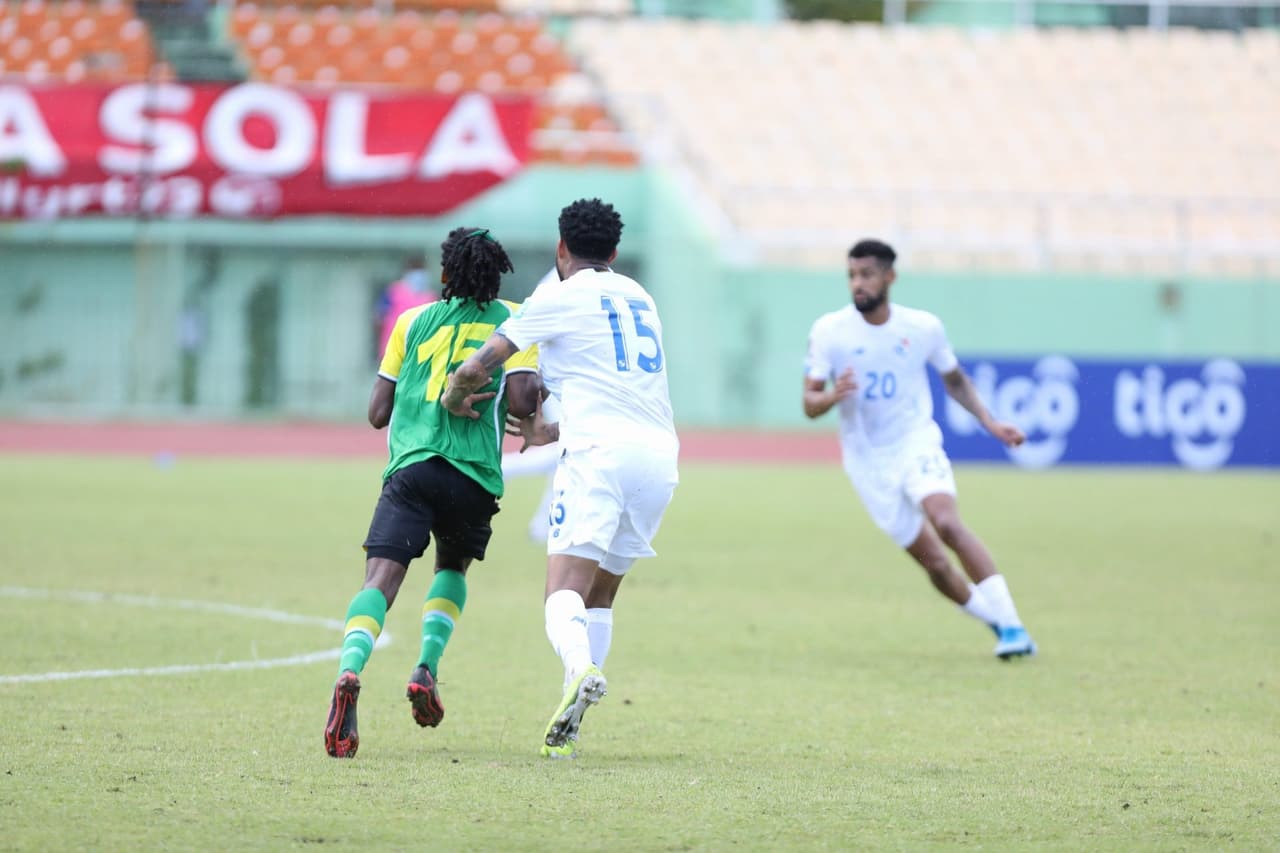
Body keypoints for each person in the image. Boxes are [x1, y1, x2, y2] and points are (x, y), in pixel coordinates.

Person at [441, 198, 679, 758]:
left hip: (599, 454)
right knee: (600, 595)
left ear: (561, 248)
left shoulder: (558, 296)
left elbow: (484, 362)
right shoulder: (641, 298)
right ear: (615, 252)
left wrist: (455, 395)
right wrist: (544, 422)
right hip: (660, 456)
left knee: (560, 592)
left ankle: (579, 669)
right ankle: (571, 717)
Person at [325, 227, 540, 759]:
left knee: (381, 578)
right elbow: (521, 399)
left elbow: (377, 414)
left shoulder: (411, 321)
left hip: (412, 468)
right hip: (472, 475)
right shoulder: (515, 322)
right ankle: (427, 665)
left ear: (444, 275)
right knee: (451, 569)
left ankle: (350, 670)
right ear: (498, 276)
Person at [802, 239, 1037, 660]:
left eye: (867, 274)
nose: (858, 284)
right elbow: (809, 403)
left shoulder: (923, 328)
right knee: (935, 563)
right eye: (852, 275)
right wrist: (834, 395)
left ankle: (1014, 624)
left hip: (915, 441)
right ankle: (999, 623)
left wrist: (990, 421)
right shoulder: (828, 332)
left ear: (889, 277)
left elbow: (955, 380)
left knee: (946, 522)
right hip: (867, 462)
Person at [499, 266, 562, 543]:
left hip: (565, 381)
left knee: (568, 459)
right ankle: (504, 468)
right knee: (570, 450)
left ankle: (544, 526)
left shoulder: (576, 277)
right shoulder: (556, 283)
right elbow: (521, 332)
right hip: (559, 384)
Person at [375, 252, 439, 362]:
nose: (418, 275)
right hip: (393, 350)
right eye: (414, 269)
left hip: (421, 353)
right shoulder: (393, 291)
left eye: (420, 270)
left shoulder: (431, 296)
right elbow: (379, 320)